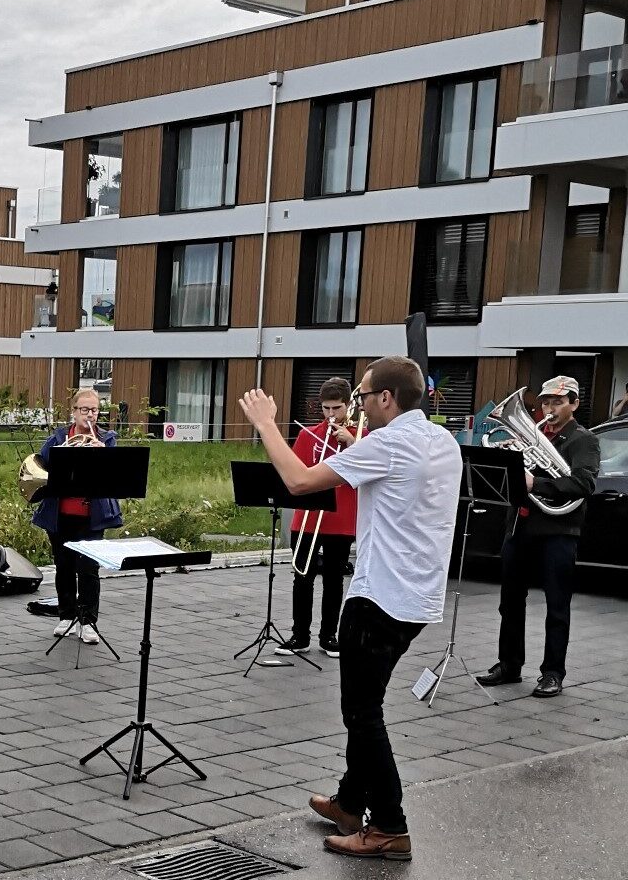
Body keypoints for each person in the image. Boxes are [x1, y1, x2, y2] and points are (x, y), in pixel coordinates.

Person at [239, 356, 460, 862]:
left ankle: (388, 826)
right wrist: (352, 448)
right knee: (368, 705)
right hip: (419, 599)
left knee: (362, 714)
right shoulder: (439, 440)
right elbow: (394, 467)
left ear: (386, 398)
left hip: (379, 597)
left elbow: (297, 482)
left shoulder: (386, 443)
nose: (357, 405)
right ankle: (348, 802)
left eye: (362, 396)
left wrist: (265, 425)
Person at [477, 375, 599, 698]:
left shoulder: (582, 440)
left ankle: (552, 673)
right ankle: (509, 664)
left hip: (558, 531)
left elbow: (583, 485)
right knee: (510, 602)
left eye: (558, 402)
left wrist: (536, 484)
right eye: (545, 402)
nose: (549, 408)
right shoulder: (530, 435)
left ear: (573, 404)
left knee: (557, 605)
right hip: (520, 527)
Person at [30, 388, 123, 645]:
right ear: (74, 412)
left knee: (89, 568)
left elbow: (116, 475)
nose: (90, 415)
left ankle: (88, 621)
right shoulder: (59, 438)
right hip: (61, 515)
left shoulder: (107, 439)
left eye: (94, 410)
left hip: (92, 516)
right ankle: (66, 615)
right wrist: (62, 452)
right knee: (65, 567)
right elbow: (40, 465)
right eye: (84, 410)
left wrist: (102, 452)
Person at [277, 378, 360, 659]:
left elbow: (366, 478)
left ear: (348, 406)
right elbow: (295, 474)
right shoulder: (308, 435)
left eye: (337, 408)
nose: (331, 415)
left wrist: (351, 444)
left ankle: (329, 636)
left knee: (334, 579)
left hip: (341, 517)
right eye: (326, 408)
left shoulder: (363, 438)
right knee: (302, 577)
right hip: (308, 519)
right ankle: (299, 636)